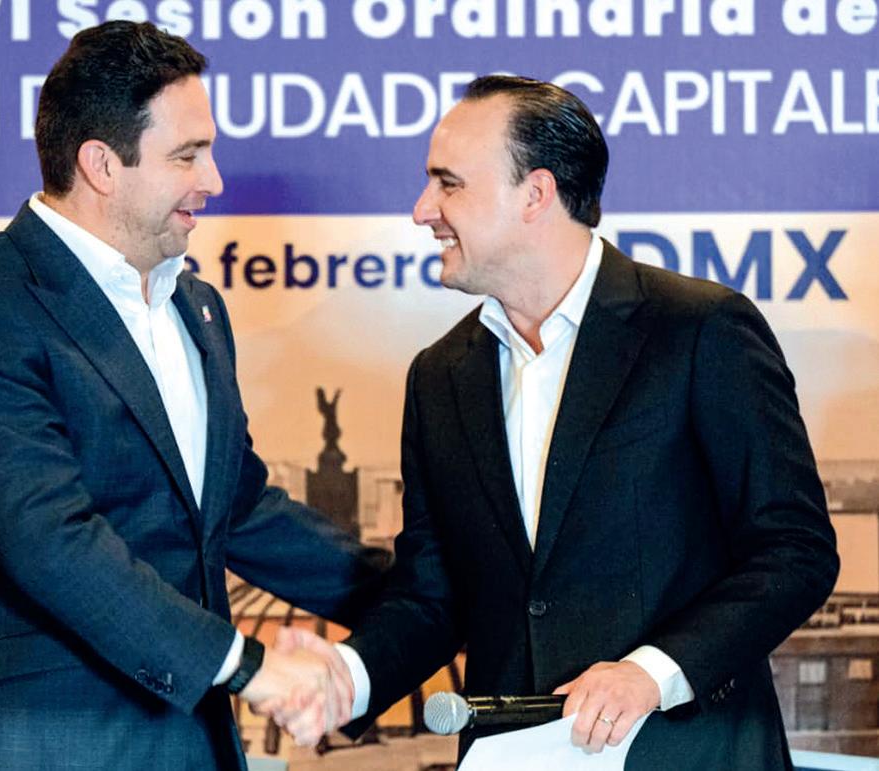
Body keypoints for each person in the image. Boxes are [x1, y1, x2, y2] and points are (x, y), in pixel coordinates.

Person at [275, 76, 839, 769]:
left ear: (535, 194)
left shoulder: (700, 329)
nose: (423, 211)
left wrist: (651, 673)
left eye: (449, 184)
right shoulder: (441, 375)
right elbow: (433, 595)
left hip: (686, 753)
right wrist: (346, 673)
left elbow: (794, 551)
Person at [0, 21, 383, 771]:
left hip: (184, 739)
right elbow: (47, 538)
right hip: (34, 746)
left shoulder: (198, 309)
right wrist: (248, 666)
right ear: (101, 165)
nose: (213, 180)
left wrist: (428, 599)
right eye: (188, 155)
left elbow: (235, 509)